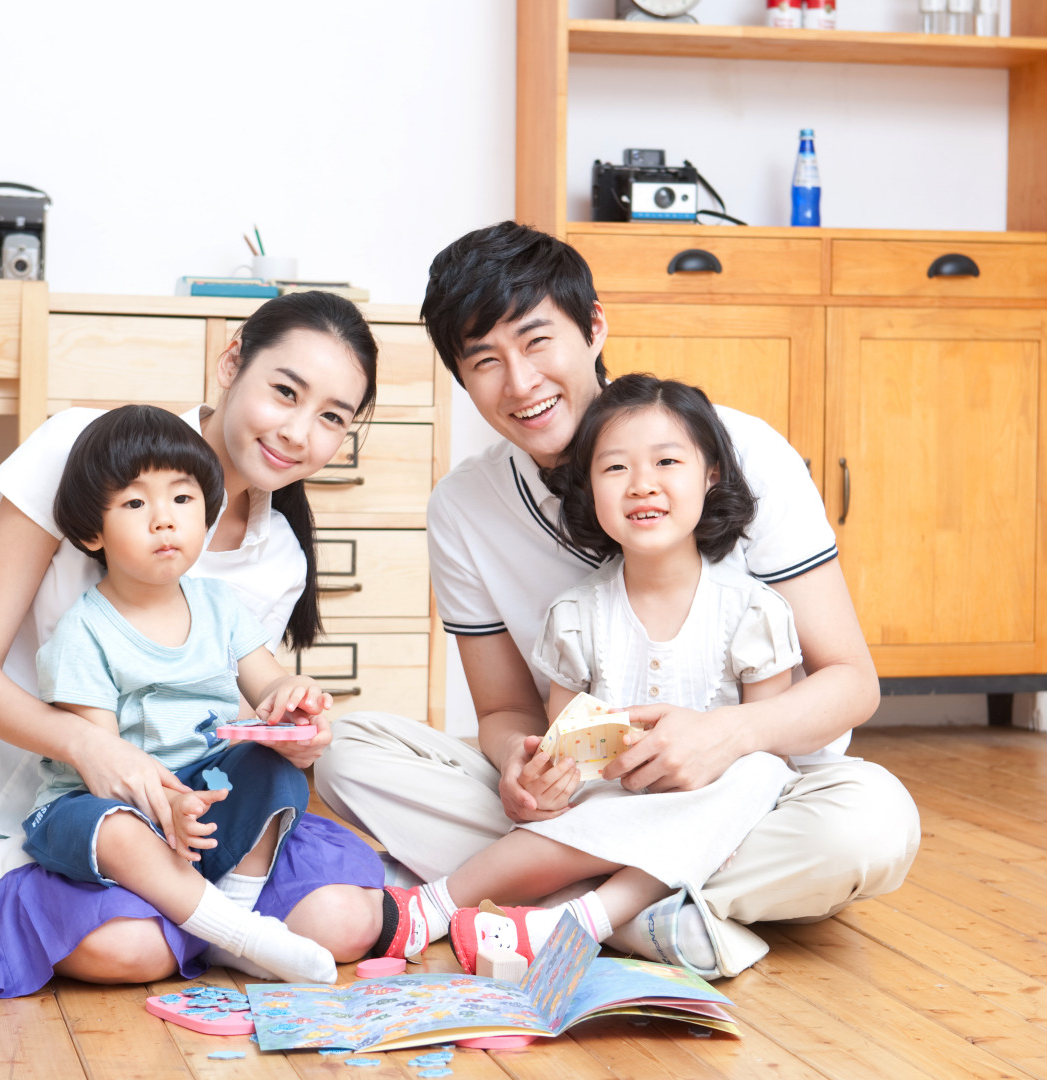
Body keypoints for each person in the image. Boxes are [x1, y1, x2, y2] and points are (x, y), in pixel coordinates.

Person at [316, 222, 921, 979]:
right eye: (485, 361)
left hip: (758, 791)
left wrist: (725, 736)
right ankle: (652, 916)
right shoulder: (464, 507)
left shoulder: (737, 450)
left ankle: (557, 899)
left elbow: (851, 682)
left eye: (538, 341)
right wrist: (520, 768)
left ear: (594, 326)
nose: (521, 383)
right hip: (585, 794)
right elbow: (504, 711)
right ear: (462, 380)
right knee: (343, 753)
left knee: (872, 827)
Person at [0, 291, 403, 998]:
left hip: (187, 812)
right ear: (232, 362)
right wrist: (90, 748)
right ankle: (220, 926)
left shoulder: (276, 559)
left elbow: (235, 713)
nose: (298, 433)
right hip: (43, 801)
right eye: (285, 391)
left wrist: (291, 728)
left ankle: (220, 918)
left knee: (344, 920)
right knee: (128, 947)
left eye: (332, 417)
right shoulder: (83, 448)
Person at [387, 375, 802, 970]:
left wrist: (714, 789)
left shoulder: (753, 610)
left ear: (711, 474)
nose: (642, 484)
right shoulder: (576, 616)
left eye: (667, 461)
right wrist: (544, 783)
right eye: (615, 468)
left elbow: (768, 739)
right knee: (598, 810)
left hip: (715, 804)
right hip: (608, 801)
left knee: (759, 771)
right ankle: (434, 910)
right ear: (588, 488)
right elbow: (570, 756)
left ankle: (567, 916)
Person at [23, 403, 359, 983]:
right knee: (119, 829)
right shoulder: (84, 631)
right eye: (135, 504)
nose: (164, 520)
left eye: (182, 498)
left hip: (200, 793)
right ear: (91, 531)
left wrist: (294, 696)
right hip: (107, 799)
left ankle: (235, 912)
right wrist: (165, 806)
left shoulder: (219, 605)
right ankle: (239, 933)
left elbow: (267, 681)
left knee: (271, 766)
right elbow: (106, 763)